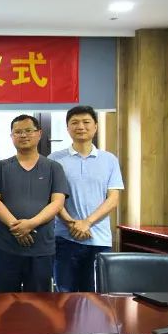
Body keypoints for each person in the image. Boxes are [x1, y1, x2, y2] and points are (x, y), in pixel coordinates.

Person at [0, 114, 69, 292]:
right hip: (6, 246)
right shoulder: (1, 167)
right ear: (12, 136)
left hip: (42, 248)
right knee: (5, 300)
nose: (23, 135)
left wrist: (30, 224)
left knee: (39, 301)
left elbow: (57, 202)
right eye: (18, 132)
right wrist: (17, 227)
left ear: (39, 133)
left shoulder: (54, 167)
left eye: (28, 131)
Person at [49, 105, 124, 292]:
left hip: (99, 239)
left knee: (96, 296)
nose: (80, 126)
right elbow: (52, 198)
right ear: (67, 128)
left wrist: (87, 223)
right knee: (64, 295)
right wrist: (72, 224)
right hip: (65, 238)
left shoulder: (109, 160)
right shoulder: (54, 159)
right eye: (74, 122)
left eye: (86, 122)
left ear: (95, 126)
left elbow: (113, 199)